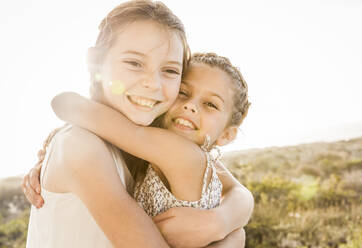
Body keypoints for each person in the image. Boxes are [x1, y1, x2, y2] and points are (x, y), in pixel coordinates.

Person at [23, 1, 254, 247]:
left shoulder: (146, 143)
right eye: (134, 63)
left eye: (169, 70)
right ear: (95, 60)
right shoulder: (81, 145)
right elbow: (66, 104)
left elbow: (239, 193)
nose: (152, 83)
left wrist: (222, 222)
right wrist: (231, 239)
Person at [51, 52, 250, 220]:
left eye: (210, 104)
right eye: (183, 92)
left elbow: (67, 104)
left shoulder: (182, 154)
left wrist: (65, 134)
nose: (190, 105)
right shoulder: (202, 160)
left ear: (226, 135)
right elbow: (239, 193)